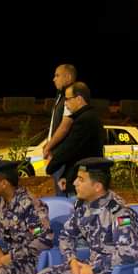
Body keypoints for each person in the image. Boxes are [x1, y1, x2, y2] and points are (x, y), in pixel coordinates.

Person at [45, 81, 105, 196]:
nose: (65, 103)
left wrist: (51, 166)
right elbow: (76, 154)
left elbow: (69, 148)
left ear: (79, 99)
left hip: (86, 182)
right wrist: (65, 176)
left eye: (67, 99)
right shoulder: (88, 116)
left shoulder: (85, 120)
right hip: (81, 178)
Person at [44, 64, 77, 196]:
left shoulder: (71, 97)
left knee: (66, 195)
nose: (54, 79)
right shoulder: (61, 96)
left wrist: (48, 147)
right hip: (58, 154)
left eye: (57, 75)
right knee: (60, 193)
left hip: (64, 156)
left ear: (68, 77)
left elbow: (65, 126)